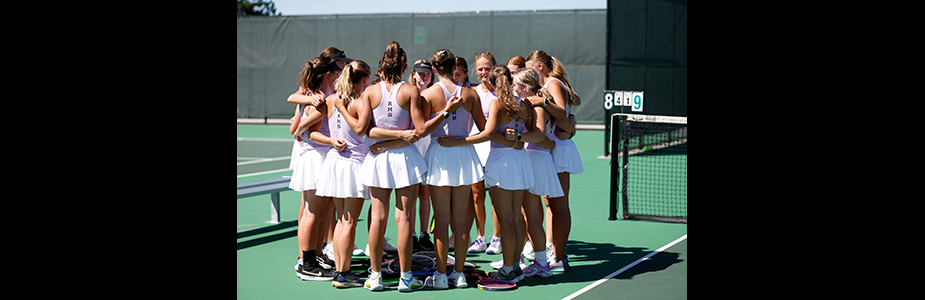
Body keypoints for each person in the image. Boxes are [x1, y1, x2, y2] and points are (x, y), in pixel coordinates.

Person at [357, 41, 462, 292]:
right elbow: (420, 130)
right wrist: (446, 111)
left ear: (382, 66)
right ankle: (405, 278)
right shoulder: (410, 91)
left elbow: (363, 130)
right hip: (404, 159)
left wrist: (388, 141)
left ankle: (375, 277)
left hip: (380, 159)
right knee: (404, 218)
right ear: (404, 67)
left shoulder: (370, 92)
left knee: (378, 218)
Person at [437, 65, 544, 283]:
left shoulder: (497, 103)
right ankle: (514, 266)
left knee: (507, 219)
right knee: (515, 217)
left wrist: (458, 141)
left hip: (502, 163)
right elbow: (530, 133)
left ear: (493, 83)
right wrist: (514, 140)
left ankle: (507, 268)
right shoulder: (523, 104)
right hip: (520, 161)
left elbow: (487, 133)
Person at [418, 49, 484, 289]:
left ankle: (442, 275)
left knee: (443, 220)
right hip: (463, 156)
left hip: (440, 155)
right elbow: (483, 129)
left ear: (435, 69)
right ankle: (459, 274)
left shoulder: (428, 94)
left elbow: (422, 129)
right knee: (461, 220)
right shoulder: (470, 93)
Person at [314, 60, 372, 288]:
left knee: (341, 221)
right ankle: (343, 272)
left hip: (336, 164)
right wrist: (341, 110)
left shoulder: (332, 100)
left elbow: (312, 131)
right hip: (351, 165)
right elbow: (359, 129)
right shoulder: (357, 102)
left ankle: (341, 271)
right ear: (365, 79)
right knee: (348, 222)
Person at [524, 50, 584, 272]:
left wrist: (543, 102)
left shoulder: (553, 84)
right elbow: (568, 119)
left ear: (539, 65)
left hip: (558, 150)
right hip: (551, 147)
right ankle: (553, 250)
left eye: (530, 66)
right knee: (551, 202)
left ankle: (559, 257)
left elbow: (562, 115)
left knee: (559, 205)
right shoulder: (548, 84)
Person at [510, 68, 572, 278]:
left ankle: (541, 263)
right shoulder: (532, 103)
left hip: (535, 160)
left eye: (516, 85)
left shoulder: (537, 104)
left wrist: (517, 137)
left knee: (531, 215)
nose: (513, 88)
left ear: (525, 87)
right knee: (528, 214)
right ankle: (532, 260)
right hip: (535, 158)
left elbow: (539, 135)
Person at [288, 55, 342, 281]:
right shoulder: (318, 98)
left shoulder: (318, 95)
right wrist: (302, 129)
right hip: (315, 158)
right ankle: (306, 263)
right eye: (337, 70)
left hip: (320, 157)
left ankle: (315, 256)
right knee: (312, 213)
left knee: (320, 213)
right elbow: (297, 128)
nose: (341, 73)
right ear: (329, 74)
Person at [466, 52, 500, 255]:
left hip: (496, 147)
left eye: (487, 68)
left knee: (496, 194)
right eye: (480, 69)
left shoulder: (501, 92)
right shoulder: (473, 92)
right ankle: (480, 237)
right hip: (476, 146)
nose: (484, 72)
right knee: (477, 195)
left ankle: (496, 238)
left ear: (494, 68)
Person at [408, 59, 436, 253]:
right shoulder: (408, 93)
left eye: (427, 73)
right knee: (410, 194)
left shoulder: (434, 95)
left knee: (424, 193)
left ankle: (424, 234)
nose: (424, 76)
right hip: (410, 147)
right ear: (414, 74)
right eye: (420, 72)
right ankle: (408, 234)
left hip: (428, 147)